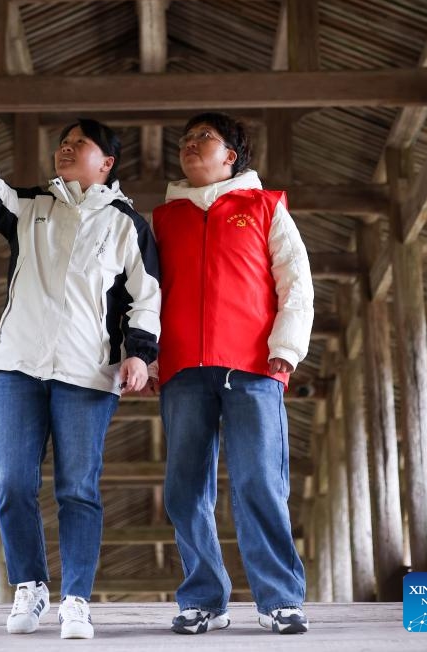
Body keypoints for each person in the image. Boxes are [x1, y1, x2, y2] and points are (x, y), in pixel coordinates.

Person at [0, 73, 161, 639]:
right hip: (20, 365)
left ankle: (76, 598)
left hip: (87, 374)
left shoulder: (126, 226)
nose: (66, 148)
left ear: (107, 163)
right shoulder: (30, 206)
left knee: (76, 488)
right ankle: (30, 585)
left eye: (81, 143)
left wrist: (140, 355)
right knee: (12, 481)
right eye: (63, 142)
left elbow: (147, 298)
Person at [152, 112, 314, 636]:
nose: (191, 144)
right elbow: (143, 295)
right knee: (183, 490)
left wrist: (285, 349)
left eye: (205, 137)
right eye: (186, 137)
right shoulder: (162, 219)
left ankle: (280, 599)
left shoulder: (266, 208)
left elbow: (296, 284)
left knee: (259, 482)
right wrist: (150, 357)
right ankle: (204, 598)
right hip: (182, 370)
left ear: (232, 156)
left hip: (253, 368)